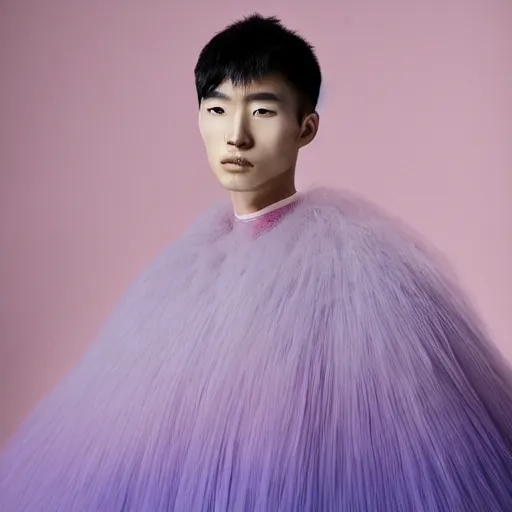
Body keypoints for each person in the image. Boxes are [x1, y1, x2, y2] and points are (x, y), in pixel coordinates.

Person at [1, 13, 511, 511]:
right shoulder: (182, 279)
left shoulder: (362, 279)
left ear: (305, 127)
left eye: (263, 111)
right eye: (217, 109)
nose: (236, 135)